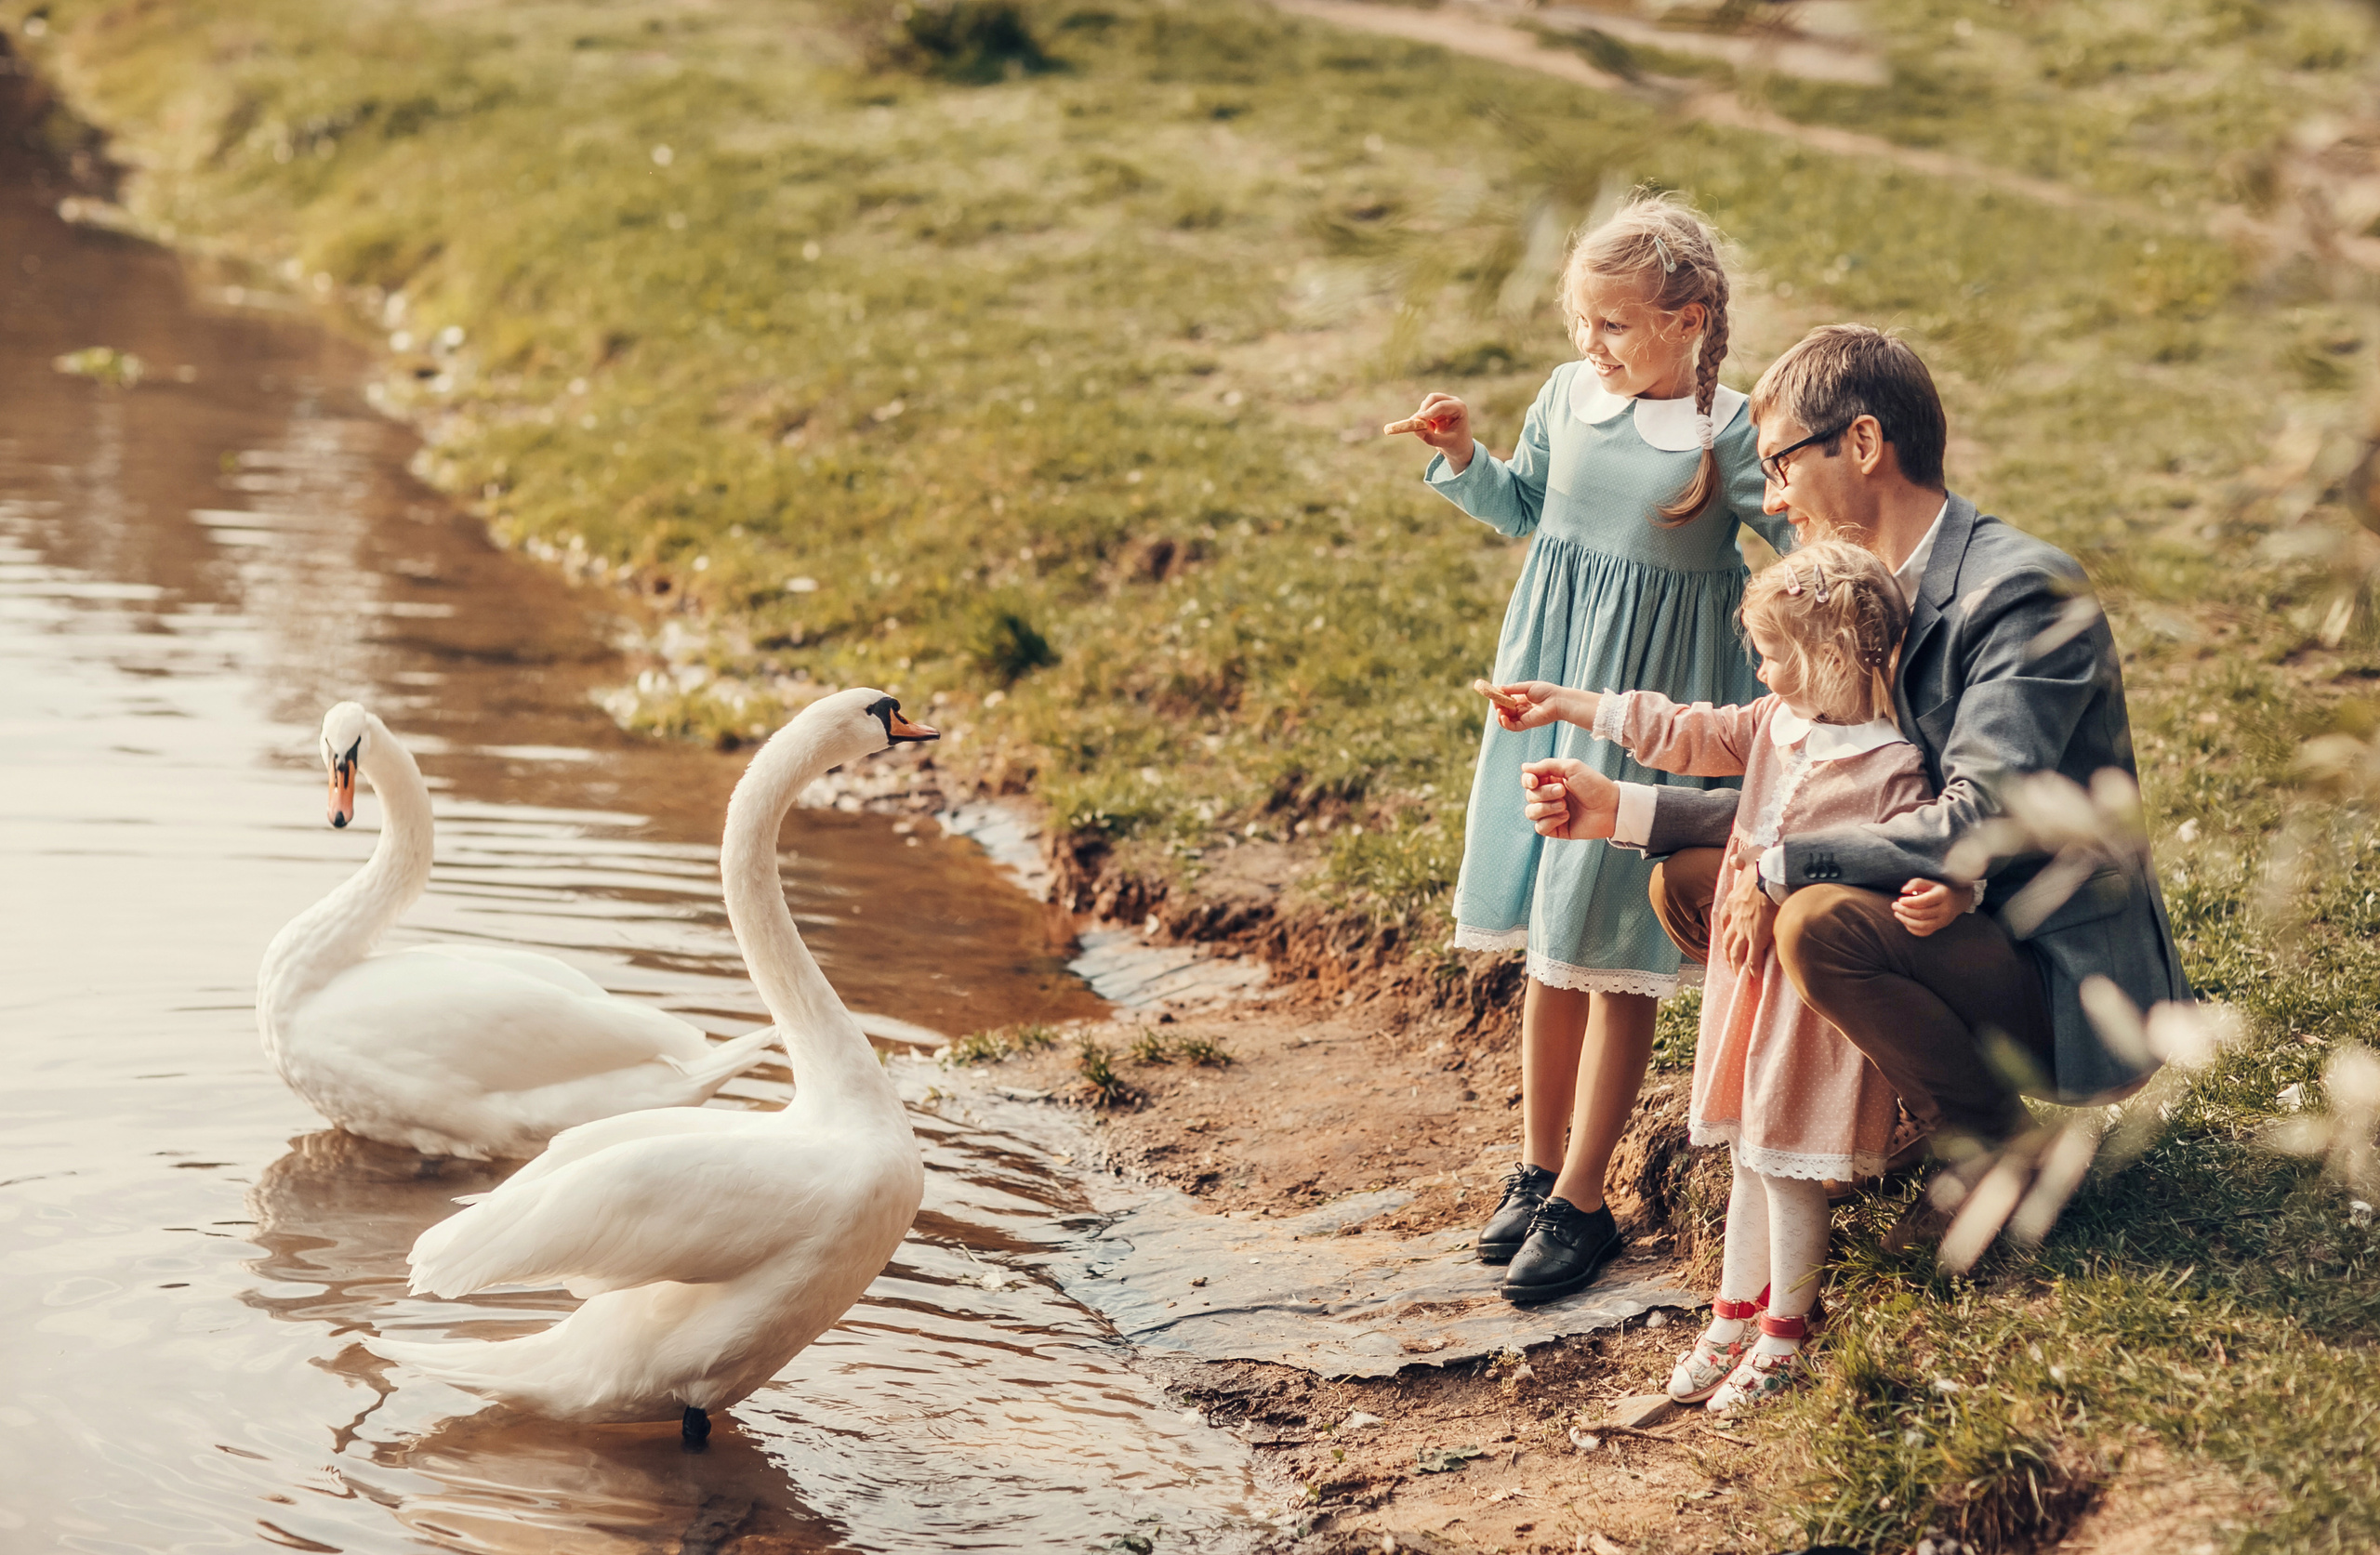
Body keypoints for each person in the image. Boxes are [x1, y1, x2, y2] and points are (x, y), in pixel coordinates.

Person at [1517, 326, 2190, 1236]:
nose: (1775, 496)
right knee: (1687, 880)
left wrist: (1776, 866)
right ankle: (1884, 1122)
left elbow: (1974, 822)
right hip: (1937, 912)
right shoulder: (1853, 601)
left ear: (1864, 444)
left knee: (1814, 919)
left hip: (2052, 969)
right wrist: (1626, 808)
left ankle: (1995, 1151)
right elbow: (1816, 797)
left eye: (1782, 464)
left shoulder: (2019, 591)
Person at [1385, 192, 1794, 1304]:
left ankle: (1585, 1193)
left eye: (1613, 324)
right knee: (1549, 936)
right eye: (1583, 321)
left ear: (1689, 317)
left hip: (1655, 707)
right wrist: (1464, 456)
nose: (1589, 344)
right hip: (1547, 684)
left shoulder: (1733, 433)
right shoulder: (1568, 394)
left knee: (1612, 944)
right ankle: (1533, 1167)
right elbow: (1524, 509)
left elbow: (1807, 554)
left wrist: (1814, 627)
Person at [1498, 540, 1972, 1408]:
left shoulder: (1891, 765)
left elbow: (1921, 850)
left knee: (1786, 1161)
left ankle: (1786, 1333)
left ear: (1829, 658)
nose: (1758, 667)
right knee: (1751, 1155)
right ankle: (1732, 1315)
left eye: (1771, 652)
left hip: (1807, 1011)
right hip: (1748, 989)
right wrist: (1576, 704)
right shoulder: (1773, 724)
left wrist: (1950, 888)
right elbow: (1685, 730)